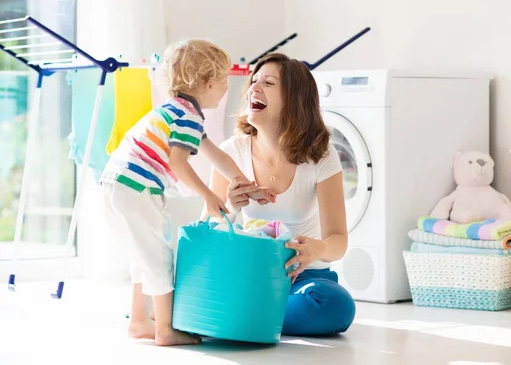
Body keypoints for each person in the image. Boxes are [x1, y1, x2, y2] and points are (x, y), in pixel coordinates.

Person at [101, 39, 275, 346]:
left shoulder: (177, 111)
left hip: (117, 185)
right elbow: (178, 163)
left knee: (143, 254)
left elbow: (217, 156)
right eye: (224, 81)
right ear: (208, 84)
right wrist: (209, 196)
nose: (226, 88)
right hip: (137, 189)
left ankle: (140, 321)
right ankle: (165, 330)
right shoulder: (187, 118)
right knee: (159, 259)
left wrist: (249, 185)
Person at [207, 53, 356, 336]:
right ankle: (258, 313)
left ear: (294, 99)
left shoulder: (321, 157)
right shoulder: (231, 152)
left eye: (269, 82)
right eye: (254, 81)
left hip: (304, 277)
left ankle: (238, 315)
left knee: (336, 306)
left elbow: (338, 241)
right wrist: (231, 206)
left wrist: (317, 250)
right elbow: (209, 230)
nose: (254, 88)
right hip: (251, 273)